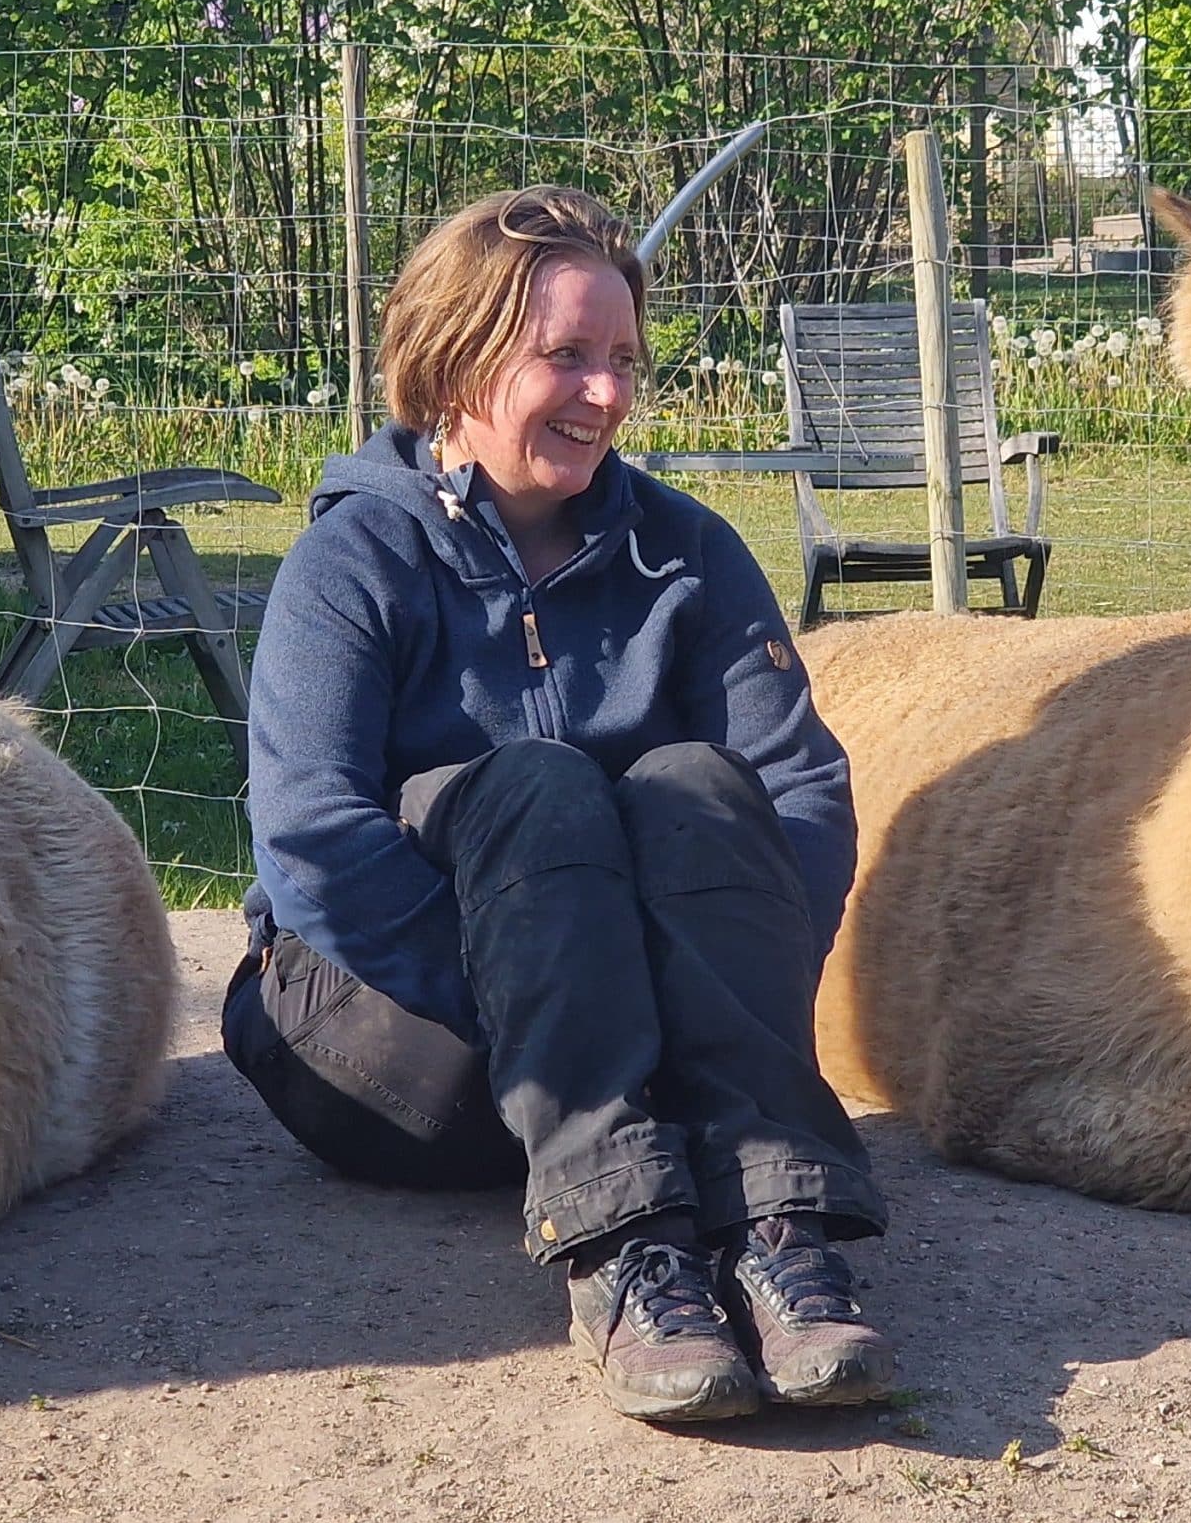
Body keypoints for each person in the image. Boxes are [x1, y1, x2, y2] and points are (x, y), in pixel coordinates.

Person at [223, 184, 892, 1426]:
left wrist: (710, 995)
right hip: (388, 1042)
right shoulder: (355, 560)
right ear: (456, 358)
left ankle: (778, 1231)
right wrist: (553, 994)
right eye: (566, 357)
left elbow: (799, 786)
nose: (606, 395)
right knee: (532, 783)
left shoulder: (685, 553)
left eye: (623, 359)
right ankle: (628, 1250)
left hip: (634, 1039)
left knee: (696, 782)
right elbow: (310, 836)